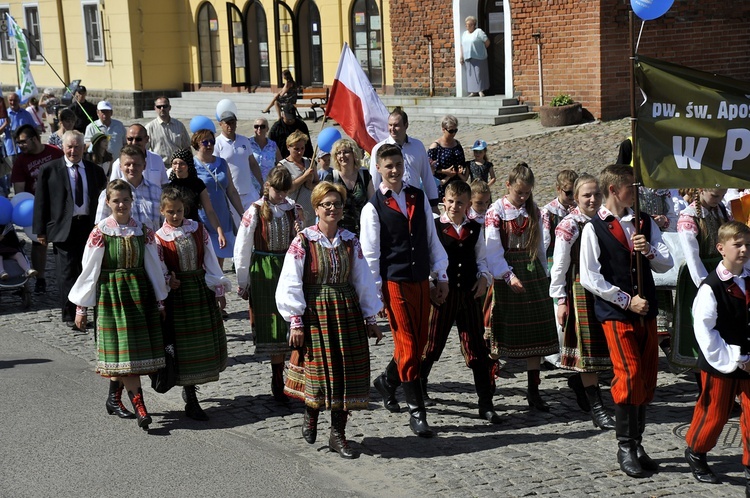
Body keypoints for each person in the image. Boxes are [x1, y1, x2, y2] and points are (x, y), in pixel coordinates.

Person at [277, 181, 382, 458]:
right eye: (327, 204)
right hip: (316, 313)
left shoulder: (350, 240)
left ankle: (338, 434)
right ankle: (311, 412)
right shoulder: (303, 241)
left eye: (337, 204)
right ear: (316, 208)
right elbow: (290, 281)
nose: (332, 208)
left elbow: (362, 279)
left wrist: (370, 317)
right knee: (318, 369)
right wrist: (296, 321)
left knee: (345, 372)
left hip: (346, 311)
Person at [579, 164, 672, 478]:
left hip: (646, 311)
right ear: (613, 190)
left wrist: (649, 253)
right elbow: (590, 277)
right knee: (629, 375)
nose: (635, 190)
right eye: (630, 186)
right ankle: (625, 446)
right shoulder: (594, 227)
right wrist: (625, 299)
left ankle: (639, 443)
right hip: (617, 314)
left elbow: (665, 262)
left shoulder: (643, 222)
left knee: (645, 378)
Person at [360, 144, 449, 438]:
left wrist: (441, 274)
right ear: (379, 170)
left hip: (420, 278)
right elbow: (371, 256)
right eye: (388, 167)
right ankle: (417, 411)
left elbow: (430, 237)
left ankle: (387, 381)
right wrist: (375, 297)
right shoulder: (373, 208)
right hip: (394, 281)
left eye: (398, 164)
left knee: (419, 343)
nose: (395, 170)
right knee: (409, 346)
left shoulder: (418, 196)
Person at [68, 179, 170, 430]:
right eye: (116, 200)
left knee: (126, 356)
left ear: (132, 202)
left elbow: (153, 267)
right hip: (111, 298)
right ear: (108, 203)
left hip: (138, 297)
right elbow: (89, 271)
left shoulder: (143, 231)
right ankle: (141, 408)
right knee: (125, 355)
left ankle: (114, 399)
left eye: (125, 200)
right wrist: (81, 308)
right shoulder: (100, 232)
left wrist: (160, 300)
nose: (121, 204)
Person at [420, 180, 500, 424]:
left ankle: (485, 402)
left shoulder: (476, 228)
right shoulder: (434, 226)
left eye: (460, 203)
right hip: (443, 294)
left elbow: (482, 259)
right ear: (444, 201)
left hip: (468, 293)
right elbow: (427, 260)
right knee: (432, 345)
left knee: (477, 348)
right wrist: (432, 285)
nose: (455, 206)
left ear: (468, 205)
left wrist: (484, 278)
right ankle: (418, 387)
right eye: (451, 201)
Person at [485, 162, 558, 411]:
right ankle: (489, 385)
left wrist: (545, 275)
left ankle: (533, 391)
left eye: (527, 192)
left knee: (537, 332)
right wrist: (507, 275)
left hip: (532, 272)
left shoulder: (534, 210)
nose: (523, 197)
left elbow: (539, 246)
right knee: (502, 329)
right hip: (507, 272)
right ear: (508, 186)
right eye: (519, 192)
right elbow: (492, 248)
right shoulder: (496, 211)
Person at [684, 221, 750, 488]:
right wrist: (734, 359)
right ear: (721, 248)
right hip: (721, 361)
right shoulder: (711, 287)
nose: (744, 250)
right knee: (715, 413)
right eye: (738, 245)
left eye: (747, 244)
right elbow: (704, 330)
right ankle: (696, 451)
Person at [155, 186, 229, 421]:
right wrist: (169, 279)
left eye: (179, 211)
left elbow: (209, 258)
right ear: (162, 211)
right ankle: (191, 397)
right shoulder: (159, 238)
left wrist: (218, 289)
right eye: (170, 212)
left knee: (201, 340)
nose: (176, 216)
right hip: (178, 296)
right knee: (183, 346)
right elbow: (159, 267)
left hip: (198, 289)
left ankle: (193, 391)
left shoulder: (197, 229)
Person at [549, 173, 614, 430]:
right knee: (588, 350)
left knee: (606, 346)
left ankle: (581, 383)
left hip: (606, 288)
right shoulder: (570, 224)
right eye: (587, 195)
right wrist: (560, 300)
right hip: (579, 289)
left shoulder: (606, 220)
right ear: (576, 198)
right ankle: (597, 408)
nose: (593, 199)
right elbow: (559, 265)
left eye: (597, 194)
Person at [234, 167, 302, 402]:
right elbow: (242, 248)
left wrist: (299, 230)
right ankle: (277, 380)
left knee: (293, 322)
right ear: (267, 186)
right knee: (274, 327)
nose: (281, 196)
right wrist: (243, 281)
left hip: (290, 268)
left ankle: (295, 377)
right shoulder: (254, 211)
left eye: (285, 191)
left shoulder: (293, 209)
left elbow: (303, 241)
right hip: (264, 271)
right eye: (277, 191)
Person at [32, 130, 107, 328]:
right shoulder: (50, 170)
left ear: (84, 147)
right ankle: (71, 315)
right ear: (63, 147)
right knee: (67, 272)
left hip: (89, 227)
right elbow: (41, 201)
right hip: (63, 228)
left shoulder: (95, 171)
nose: (73, 151)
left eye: (77, 146)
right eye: (69, 146)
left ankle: (91, 311)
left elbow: (102, 201)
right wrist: (40, 231)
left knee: (89, 270)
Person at [672, 188, 730, 371]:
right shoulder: (688, 217)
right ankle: (703, 382)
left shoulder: (720, 209)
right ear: (701, 190)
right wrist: (708, 287)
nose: (718, 199)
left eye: (722, 195)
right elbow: (693, 258)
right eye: (715, 195)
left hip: (723, 272)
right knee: (702, 328)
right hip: (700, 278)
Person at [11, 124, 63, 293]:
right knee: (39, 243)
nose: (21, 146)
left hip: (59, 204)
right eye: (18, 143)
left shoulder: (55, 152)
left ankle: (68, 276)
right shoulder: (20, 161)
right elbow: (19, 191)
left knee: (64, 244)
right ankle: (40, 278)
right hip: (36, 207)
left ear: (34, 139)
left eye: (23, 142)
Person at [192, 129, 244, 268]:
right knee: (206, 259)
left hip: (222, 215)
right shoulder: (192, 165)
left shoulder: (222, 163)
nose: (209, 145)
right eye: (205, 142)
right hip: (203, 217)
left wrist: (242, 214)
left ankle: (218, 288)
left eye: (212, 141)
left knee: (219, 258)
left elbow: (231, 191)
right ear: (197, 143)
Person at [369, 108, 439, 208]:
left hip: (414, 201)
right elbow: (374, 181)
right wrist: (375, 204)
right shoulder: (379, 149)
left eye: (396, 125)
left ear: (406, 125)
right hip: (389, 202)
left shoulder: (417, 146)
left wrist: (433, 203)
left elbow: (427, 175)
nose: (392, 128)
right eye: (390, 125)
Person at [166, 148, 227, 249]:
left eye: (182, 163)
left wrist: (219, 231)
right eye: (174, 163)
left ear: (188, 165)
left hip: (193, 230)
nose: (177, 167)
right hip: (173, 232)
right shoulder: (169, 185)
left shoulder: (197, 184)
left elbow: (209, 211)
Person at [213, 111, 263, 226]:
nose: (230, 126)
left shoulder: (244, 140)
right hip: (231, 195)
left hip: (249, 192)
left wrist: (261, 183)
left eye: (233, 122)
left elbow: (253, 163)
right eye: (227, 123)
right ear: (221, 124)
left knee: (255, 225)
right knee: (239, 228)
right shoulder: (217, 143)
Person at [96, 145, 163, 230]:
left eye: (136, 164)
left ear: (144, 165)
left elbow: (165, 224)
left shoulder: (157, 192)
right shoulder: (108, 193)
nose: (132, 168)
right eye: (127, 164)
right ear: (120, 166)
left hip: (152, 242)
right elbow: (100, 227)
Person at [324, 138, 373, 236]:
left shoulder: (365, 175)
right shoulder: (331, 178)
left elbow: (373, 202)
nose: (342, 156)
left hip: (365, 230)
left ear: (354, 154)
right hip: (339, 232)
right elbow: (325, 205)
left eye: (346, 152)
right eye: (338, 153)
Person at [279, 130, 318, 227]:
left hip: (310, 210)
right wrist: (304, 177)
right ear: (288, 147)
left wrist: (311, 185)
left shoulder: (309, 162)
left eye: (302, 148)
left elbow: (318, 185)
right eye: (296, 149)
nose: (300, 152)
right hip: (293, 212)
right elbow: (286, 189)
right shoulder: (282, 166)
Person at [428, 115, 467, 198]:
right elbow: (428, 169)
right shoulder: (435, 147)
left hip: (457, 184)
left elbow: (462, 161)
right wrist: (445, 171)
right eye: (451, 131)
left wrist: (460, 168)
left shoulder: (457, 144)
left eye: (455, 130)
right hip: (442, 185)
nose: (453, 133)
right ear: (443, 129)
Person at [145, 96, 191, 166]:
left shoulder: (179, 125)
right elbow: (144, 149)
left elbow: (187, 147)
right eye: (159, 107)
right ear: (155, 108)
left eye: (165, 106)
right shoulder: (150, 127)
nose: (162, 109)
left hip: (178, 166)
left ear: (169, 108)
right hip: (159, 166)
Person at [459, 16, 490, 97]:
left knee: (479, 74)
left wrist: (481, 49)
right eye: (466, 25)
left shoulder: (478, 32)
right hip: (468, 57)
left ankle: (480, 90)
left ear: (473, 25)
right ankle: (473, 91)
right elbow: (462, 45)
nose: (466, 26)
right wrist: (461, 56)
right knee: (470, 75)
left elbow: (487, 42)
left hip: (479, 56)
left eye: (468, 25)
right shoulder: (465, 34)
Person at [249, 117, 282, 181]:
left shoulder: (273, 145)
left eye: (262, 126)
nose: (259, 129)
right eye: (256, 126)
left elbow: (280, 163)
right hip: (251, 184)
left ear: (267, 129)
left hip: (269, 183)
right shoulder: (247, 143)